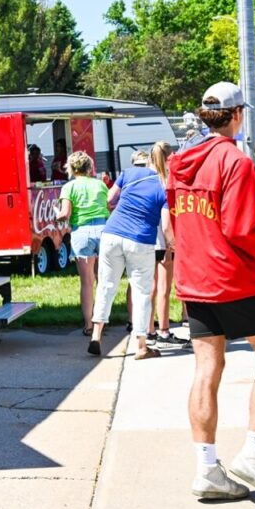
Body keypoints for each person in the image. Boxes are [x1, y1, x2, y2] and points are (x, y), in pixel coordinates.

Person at [167, 81, 255, 501]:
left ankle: (206, 469)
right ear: (237, 115)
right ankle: (254, 453)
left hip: (194, 279)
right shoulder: (234, 161)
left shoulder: (179, 160)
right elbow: (241, 229)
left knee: (206, 370)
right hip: (234, 278)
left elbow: (177, 220)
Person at [88, 150, 171, 359]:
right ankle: (141, 345)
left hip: (112, 233)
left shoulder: (129, 173)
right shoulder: (165, 187)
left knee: (106, 286)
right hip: (141, 239)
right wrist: (174, 244)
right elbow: (167, 226)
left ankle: (96, 336)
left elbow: (109, 199)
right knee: (141, 292)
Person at [56, 151, 109, 335]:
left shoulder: (69, 187)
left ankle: (88, 325)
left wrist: (57, 217)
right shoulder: (100, 184)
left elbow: (65, 213)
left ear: (71, 168)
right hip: (104, 230)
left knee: (87, 282)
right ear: (90, 167)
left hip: (82, 231)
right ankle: (102, 322)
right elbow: (108, 206)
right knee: (102, 281)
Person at [149, 140, 188, 347]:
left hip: (146, 239)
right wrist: (172, 243)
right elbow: (167, 222)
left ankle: (149, 330)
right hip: (163, 240)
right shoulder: (168, 181)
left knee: (150, 288)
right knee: (164, 288)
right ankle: (164, 331)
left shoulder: (146, 179)